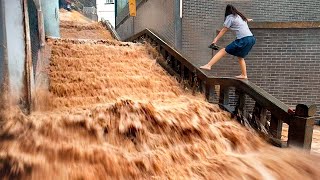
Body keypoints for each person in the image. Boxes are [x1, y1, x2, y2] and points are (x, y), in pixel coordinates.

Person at [200, 4, 256, 79]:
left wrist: (215, 39)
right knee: (240, 57)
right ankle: (244, 75)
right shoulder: (240, 16)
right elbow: (246, 20)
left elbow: (224, 30)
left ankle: (208, 65)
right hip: (251, 39)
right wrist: (249, 19)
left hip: (243, 39)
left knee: (223, 51)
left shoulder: (230, 17)